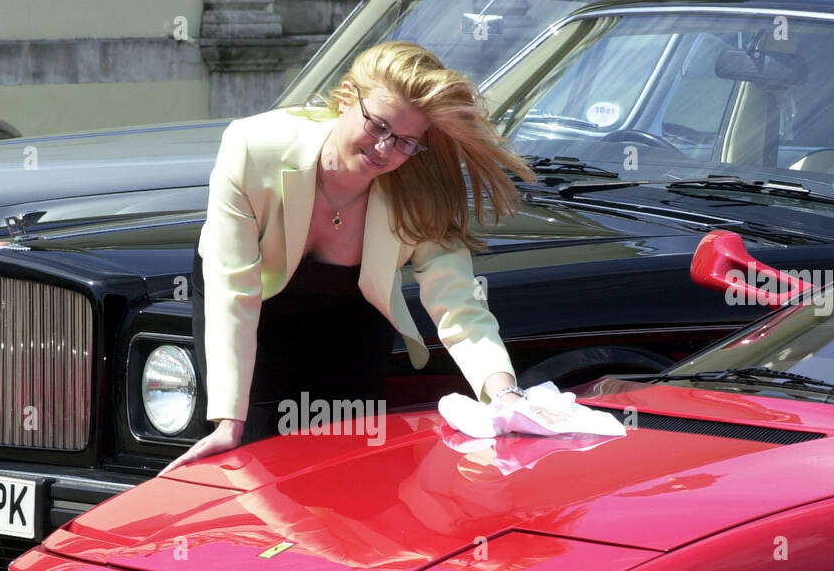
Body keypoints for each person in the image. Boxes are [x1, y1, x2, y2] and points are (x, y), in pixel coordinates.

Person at [164, 41, 553, 472]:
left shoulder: (418, 189)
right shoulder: (252, 148)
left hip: (352, 316)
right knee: (255, 456)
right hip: (255, 303)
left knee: (350, 459)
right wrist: (227, 424)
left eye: (406, 141)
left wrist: (504, 396)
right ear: (349, 95)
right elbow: (232, 290)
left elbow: (458, 304)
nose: (385, 149)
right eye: (378, 125)